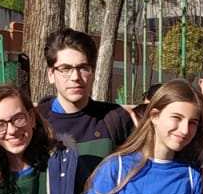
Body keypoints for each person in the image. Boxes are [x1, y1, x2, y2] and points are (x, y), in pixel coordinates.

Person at [37, 27, 134, 164]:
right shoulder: (35, 123)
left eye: (83, 68)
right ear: (51, 74)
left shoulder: (117, 120)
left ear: (93, 72)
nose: (75, 77)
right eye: (65, 69)